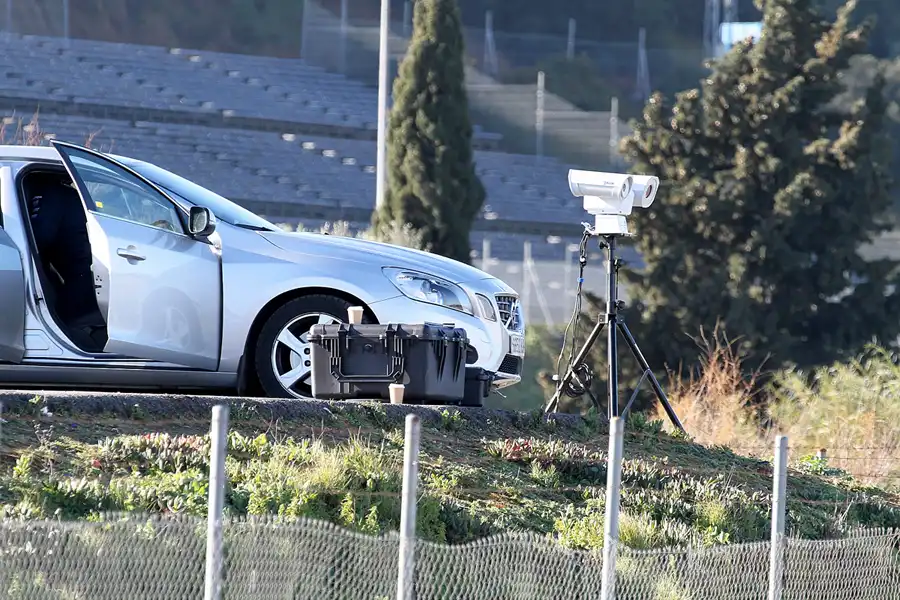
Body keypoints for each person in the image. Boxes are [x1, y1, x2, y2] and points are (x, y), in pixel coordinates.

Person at [29, 175, 106, 345]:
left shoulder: (50, 194)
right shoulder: (69, 194)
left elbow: (39, 237)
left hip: (81, 280)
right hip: (89, 275)